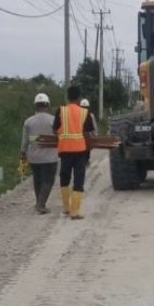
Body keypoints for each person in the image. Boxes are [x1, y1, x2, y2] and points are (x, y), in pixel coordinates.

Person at [53, 86, 95, 219]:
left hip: (64, 150)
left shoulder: (61, 110)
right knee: (78, 180)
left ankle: (66, 208)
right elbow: (88, 133)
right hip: (80, 151)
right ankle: (75, 212)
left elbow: (55, 130)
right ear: (79, 98)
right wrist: (89, 149)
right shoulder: (84, 113)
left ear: (68, 97)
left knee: (64, 178)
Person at [21, 93, 59, 214]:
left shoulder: (28, 122)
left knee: (37, 180)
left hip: (34, 157)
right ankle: (41, 204)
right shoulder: (53, 120)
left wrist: (23, 154)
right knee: (48, 180)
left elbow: (25, 142)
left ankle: (39, 202)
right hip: (50, 157)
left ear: (35, 106)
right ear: (47, 105)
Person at [79, 98, 98, 167]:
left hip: (80, 136)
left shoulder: (77, 114)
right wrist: (95, 135)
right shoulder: (90, 115)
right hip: (87, 136)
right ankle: (86, 160)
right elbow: (94, 127)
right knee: (87, 146)